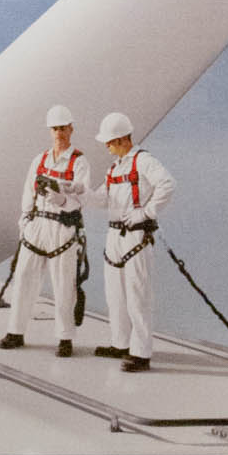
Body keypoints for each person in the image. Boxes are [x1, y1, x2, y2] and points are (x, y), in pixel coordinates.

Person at [0, 105, 91, 358]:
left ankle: (65, 337)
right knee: (24, 278)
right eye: (55, 129)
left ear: (71, 129)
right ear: (50, 131)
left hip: (62, 226)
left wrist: (62, 200)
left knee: (64, 283)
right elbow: (28, 191)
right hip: (37, 223)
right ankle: (16, 331)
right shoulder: (40, 160)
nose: (59, 133)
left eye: (63, 128)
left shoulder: (79, 161)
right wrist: (25, 222)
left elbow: (82, 195)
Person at [89, 112, 175, 372]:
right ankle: (121, 344)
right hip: (114, 236)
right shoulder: (114, 168)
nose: (107, 145)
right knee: (115, 294)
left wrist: (146, 212)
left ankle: (141, 352)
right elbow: (102, 199)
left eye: (110, 141)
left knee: (138, 295)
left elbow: (167, 184)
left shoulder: (143, 161)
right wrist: (80, 194)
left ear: (122, 139)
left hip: (136, 236)